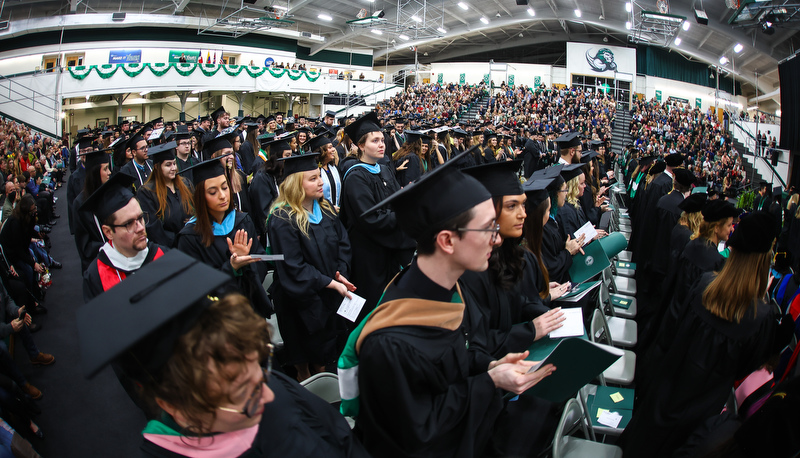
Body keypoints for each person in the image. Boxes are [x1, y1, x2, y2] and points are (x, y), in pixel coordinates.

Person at [339, 149, 556, 457]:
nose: (496, 239)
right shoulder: (391, 341)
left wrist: (492, 365)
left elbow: (462, 357)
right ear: (447, 241)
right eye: (487, 228)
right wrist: (490, 381)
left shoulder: (451, 293)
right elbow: (419, 433)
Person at [77, 250, 370, 458]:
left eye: (262, 367)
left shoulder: (259, 383)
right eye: (245, 392)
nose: (268, 395)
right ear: (174, 405)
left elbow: (342, 441)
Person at [622, 211, 781, 457]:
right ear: (763, 261)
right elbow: (743, 369)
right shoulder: (760, 317)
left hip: (664, 393)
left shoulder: (704, 284)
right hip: (699, 414)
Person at [267, 154, 353, 382]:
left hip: (330, 293)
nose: (321, 182)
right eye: (313, 178)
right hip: (300, 302)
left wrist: (340, 273)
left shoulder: (326, 210)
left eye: (320, 177)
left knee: (326, 356)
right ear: (296, 184)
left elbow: (343, 244)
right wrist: (330, 282)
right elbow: (294, 267)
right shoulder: (282, 219)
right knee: (306, 361)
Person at [338, 112, 416, 317]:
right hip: (368, 255)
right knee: (371, 307)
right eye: (375, 141)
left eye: (382, 140)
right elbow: (371, 219)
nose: (382, 144)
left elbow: (396, 202)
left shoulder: (383, 170)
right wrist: (407, 215)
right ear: (361, 146)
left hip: (387, 252)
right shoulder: (355, 177)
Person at [176, 156, 272, 317]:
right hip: (218, 320)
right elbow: (195, 286)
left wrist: (247, 263)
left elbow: (260, 262)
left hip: (250, 310)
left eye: (225, 188)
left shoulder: (242, 221)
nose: (222, 196)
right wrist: (232, 268)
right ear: (200, 197)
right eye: (213, 192)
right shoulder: (189, 238)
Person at [82, 172, 168, 303]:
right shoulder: (96, 276)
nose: (140, 228)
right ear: (109, 232)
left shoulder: (164, 255)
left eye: (140, 218)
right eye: (128, 223)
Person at [136, 142, 194, 248]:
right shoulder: (147, 192)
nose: (173, 168)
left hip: (192, 243)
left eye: (174, 163)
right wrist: (180, 240)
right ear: (157, 167)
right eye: (168, 165)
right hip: (170, 249)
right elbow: (154, 229)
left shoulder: (185, 184)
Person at [539, 164, 584, 284]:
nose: (566, 194)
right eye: (564, 190)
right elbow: (551, 267)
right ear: (555, 193)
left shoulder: (552, 220)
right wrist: (568, 251)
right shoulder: (544, 228)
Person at [72, 148, 114, 272]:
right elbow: (84, 245)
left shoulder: (111, 194)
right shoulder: (80, 204)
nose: (109, 172)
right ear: (95, 172)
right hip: (98, 265)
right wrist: (112, 247)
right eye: (105, 169)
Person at [307, 135, 341, 209]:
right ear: (321, 151)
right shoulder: (314, 171)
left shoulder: (332, 167)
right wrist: (329, 208)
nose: (333, 150)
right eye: (329, 147)